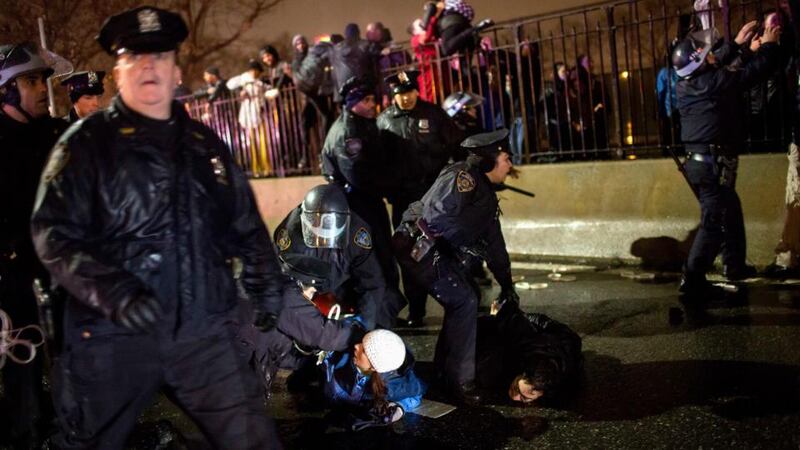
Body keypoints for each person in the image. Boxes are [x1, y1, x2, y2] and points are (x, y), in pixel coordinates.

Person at [30, 6, 285, 448]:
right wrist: (116, 293)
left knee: (250, 437)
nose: (149, 66)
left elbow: (243, 221)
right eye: (135, 56)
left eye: (161, 56)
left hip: (201, 330)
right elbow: (53, 234)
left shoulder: (204, 145)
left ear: (176, 70)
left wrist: (266, 281)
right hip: (113, 335)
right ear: (118, 70)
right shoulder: (86, 145)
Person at [392, 128, 518, 404]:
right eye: (506, 159)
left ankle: (445, 371)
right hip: (418, 247)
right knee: (464, 300)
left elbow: (495, 244)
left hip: (433, 250)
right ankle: (460, 382)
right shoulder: (463, 178)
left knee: (465, 296)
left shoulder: (483, 192)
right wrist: (460, 246)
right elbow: (434, 219)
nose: (510, 166)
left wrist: (507, 283)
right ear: (489, 160)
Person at [673, 21, 783, 297]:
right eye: (705, 52)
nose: (712, 53)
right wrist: (768, 46)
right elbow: (752, 74)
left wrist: (738, 45)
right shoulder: (713, 83)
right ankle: (693, 279)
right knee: (714, 221)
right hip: (712, 164)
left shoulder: (689, 83)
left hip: (702, 163)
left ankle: (734, 265)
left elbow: (715, 64)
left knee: (729, 209)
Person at [0, 41, 68, 449]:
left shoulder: (58, 135)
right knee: (23, 377)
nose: (43, 88)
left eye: (43, 79)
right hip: (14, 281)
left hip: (65, 274)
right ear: (6, 91)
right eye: (30, 80)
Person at [377, 69, 463, 327]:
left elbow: (457, 146)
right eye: (400, 94)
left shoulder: (434, 115)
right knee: (409, 253)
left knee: (446, 249)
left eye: (409, 92)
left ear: (417, 90)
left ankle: (460, 302)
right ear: (393, 96)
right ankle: (417, 311)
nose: (405, 98)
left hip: (435, 197)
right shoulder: (384, 122)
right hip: (404, 202)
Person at [322, 77, 406, 326]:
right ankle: (373, 320)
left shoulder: (363, 125)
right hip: (358, 206)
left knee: (380, 259)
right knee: (371, 262)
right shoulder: (349, 133)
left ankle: (383, 315)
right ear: (352, 103)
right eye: (366, 100)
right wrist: (393, 184)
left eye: (373, 99)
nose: (373, 104)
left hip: (367, 204)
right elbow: (359, 176)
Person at [239, 253, 366, 395]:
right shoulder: (283, 294)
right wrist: (360, 335)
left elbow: (277, 348)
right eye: (312, 293)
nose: (311, 300)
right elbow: (322, 333)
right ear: (302, 284)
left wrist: (310, 363)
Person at [272, 184, 394, 329]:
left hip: (345, 286)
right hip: (307, 289)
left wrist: (363, 325)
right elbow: (281, 278)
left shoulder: (357, 234)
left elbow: (372, 282)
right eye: (318, 230)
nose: (324, 238)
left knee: (383, 310)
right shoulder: (290, 232)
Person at [476, 301, 582, 405]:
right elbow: (515, 319)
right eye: (516, 389)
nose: (515, 398)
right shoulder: (525, 342)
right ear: (524, 373)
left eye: (525, 398)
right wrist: (498, 316)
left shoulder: (567, 370)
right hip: (535, 334)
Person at [321, 329, 426, 430]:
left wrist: (399, 409)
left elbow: (416, 394)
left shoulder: (393, 386)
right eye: (361, 342)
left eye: (364, 351)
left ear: (374, 367)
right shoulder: (340, 355)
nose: (356, 346)